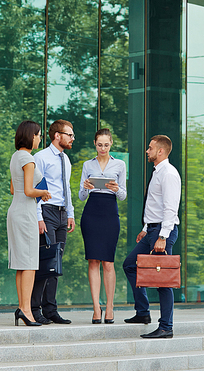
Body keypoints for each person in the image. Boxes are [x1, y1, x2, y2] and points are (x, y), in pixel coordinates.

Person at [123, 134, 181, 339]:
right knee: (130, 265)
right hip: (152, 230)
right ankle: (143, 312)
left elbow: (170, 208)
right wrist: (146, 228)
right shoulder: (157, 172)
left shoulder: (169, 174)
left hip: (162, 232)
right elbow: (154, 205)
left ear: (161, 151)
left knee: (164, 280)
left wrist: (163, 236)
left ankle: (166, 327)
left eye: (150, 148)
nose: (147, 151)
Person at [79, 128, 127, 324]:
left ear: (111, 144)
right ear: (94, 144)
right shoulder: (87, 164)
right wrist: (85, 187)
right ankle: (96, 308)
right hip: (91, 213)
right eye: (100, 145)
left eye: (106, 145)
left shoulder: (120, 165)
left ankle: (109, 307)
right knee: (93, 261)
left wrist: (116, 189)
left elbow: (123, 196)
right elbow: (81, 196)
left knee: (108, 262)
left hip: (109, 213)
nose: (103, 148)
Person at [31, 119, 75, 325]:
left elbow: (66, 188)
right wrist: (39, 217)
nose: (72, 138)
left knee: (55, 263)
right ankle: (34, 308)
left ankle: (51, 310)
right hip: (46, 212)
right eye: (69, 134)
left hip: (61, 214)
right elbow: (34, 191)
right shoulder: (40, 158)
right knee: (44, 262)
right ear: (57, 135)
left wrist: (70, 213)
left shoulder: (66, 160)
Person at [7, 119, 52, 327]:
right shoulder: (28, 158)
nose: (40, 138)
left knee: (20, 264)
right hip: (26, 214)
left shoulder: (16, 157)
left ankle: (22, 308)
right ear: (30, 135)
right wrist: (43, 192)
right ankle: (26, 310)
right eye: (38, 134)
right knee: (30, 264)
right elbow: (27, 191)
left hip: (15, 211)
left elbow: (13, 190)